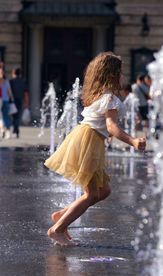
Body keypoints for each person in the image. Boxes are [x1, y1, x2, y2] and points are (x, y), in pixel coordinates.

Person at [44, 52, 146, 246]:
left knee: (104, 190)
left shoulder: (99, 95)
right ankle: (57, 229)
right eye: (120, 71)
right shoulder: (110, 99)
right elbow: (111, 128)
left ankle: (62, 215)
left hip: (86, 138)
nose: (122, 75)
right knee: (91, 194)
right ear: (112, 74)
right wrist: (132, 141)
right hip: (89, 141)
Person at [10, 68, 29, 138]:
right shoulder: (23, 81)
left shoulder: (11, 81)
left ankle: (15, 130)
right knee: (17, 116)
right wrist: (26, 103)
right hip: (20, 101)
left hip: (12, 101)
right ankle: (16, 130)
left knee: (14, 116)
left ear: (13, 73)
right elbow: (26, 93)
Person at [0, 67, 14, 139]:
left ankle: (6, 131)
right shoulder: (5, 81)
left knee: (5, 117)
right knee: (2, 117)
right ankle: (3, 131)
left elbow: (9, 91)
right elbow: (9, 91)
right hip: (3, 100)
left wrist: (11, 99)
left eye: (1, 72)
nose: (1, 74)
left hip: (5, 100)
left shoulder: (5, 81)